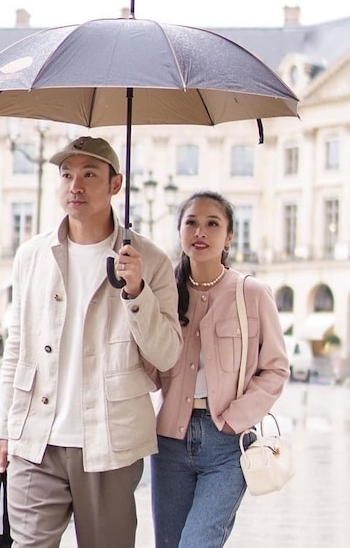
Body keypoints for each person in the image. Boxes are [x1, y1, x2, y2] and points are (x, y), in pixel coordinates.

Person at [0, 136, 182, 548]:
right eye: (66, 174)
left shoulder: (152, 260)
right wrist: (2, 429)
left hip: (109, 441)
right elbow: (16, 348)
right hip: (34, 438)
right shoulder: (31, 256)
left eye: (89, 174)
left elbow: (166, 355)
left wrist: (137, 291)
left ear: (115, 185)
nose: (75, 185)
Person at [148, 190, 290, 548]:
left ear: (229, 236)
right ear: (179, 232)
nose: (201, 231)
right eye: (191, 222)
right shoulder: (164, 292)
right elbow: (147, 369)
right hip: (169, 444)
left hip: (227, 444)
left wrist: (234, 419)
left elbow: (275, 369)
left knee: (198, 542)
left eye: (213, 224)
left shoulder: (252, 293)